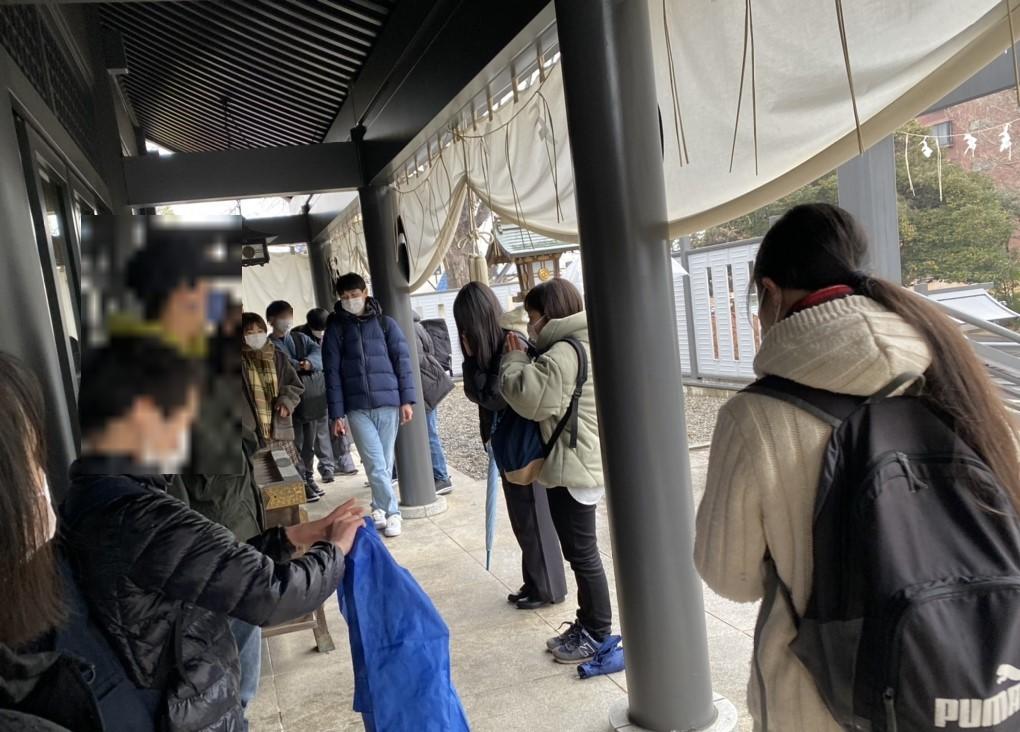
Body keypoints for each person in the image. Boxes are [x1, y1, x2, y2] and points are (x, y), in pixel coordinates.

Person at [694, 203, 1020, 731]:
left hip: (819, 701)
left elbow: (729, 576)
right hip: (972, 674)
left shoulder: (755, 416)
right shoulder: (959, 376)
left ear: (772, 293)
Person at [62, 336, 364, 731]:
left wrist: (290, 537)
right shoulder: (139, 515)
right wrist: (336, 550)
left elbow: (208, 564)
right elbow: (270, 593)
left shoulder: (92, 494)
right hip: (179, 706)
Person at [499, 278, 611, 663]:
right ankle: (587, 622)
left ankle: (596, 631)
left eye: (532, 317)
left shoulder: (564, 350)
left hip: (576, 463)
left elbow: (528, 398)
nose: (530, 325)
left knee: (583, 553)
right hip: (576, 459)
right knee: (578, 551)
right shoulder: (580, 341)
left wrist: (513, 355)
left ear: (548, 315)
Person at [454, 283, 567, 611]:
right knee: (523, 518)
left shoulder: (511, 344)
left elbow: (494, 396)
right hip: (509, 446)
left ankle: (548, 587)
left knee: (534, 518)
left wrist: (473, 362)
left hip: (526, 446)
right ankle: (535, 579)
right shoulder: (489, 347)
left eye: (465, 324)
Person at [323, 273, 417, 539]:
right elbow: (332, 373)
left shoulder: (386, 324)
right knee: (375, 463)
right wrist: (337, 413)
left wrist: (406, 400)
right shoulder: (336, 330)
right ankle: (392, 512)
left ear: (365, 292)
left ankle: (377, 507)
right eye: (345, 297)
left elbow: (403, 363)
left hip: (388, 403)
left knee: (384, 463)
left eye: (355, 295)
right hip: (356, 407)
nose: (350, 300)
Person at [241, 312, 316, 502]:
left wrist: (286, 401)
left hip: (277, 426)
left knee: (288, 476)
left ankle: (293, 517)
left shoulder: (277, 356)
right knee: (262, 483)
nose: (255, 335)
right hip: (250, 431)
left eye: (259, 331)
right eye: (249, 332)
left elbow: (294, 385)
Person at [266, 300, 333, 493]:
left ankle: (309, 477)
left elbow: (319, 352)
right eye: (282, 317)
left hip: (310, 400)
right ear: (271, 320)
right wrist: (300, 365)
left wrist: (309, 363)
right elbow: (282, 365)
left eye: (288, 316)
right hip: (288, 403)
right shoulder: (269, 344)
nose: (286, 321)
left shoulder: (298, 337)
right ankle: (299, 480)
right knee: (294, 443)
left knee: (309, 443)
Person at [296, 308, 357, 477]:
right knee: (320, 430)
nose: (322, 333)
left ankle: (344, 462)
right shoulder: (299, 336)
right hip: (315, 390)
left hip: (334, 385)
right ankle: (327, 467)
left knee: (339, 424)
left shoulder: (336, 331)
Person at [413, 310, 455, 495]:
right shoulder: (417, 325)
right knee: (430, 432)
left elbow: (412, 361)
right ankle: (438, 474)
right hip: (430, 384)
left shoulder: (409, 328)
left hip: (423, 387)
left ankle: (441, 476)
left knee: (429, 434)